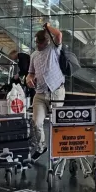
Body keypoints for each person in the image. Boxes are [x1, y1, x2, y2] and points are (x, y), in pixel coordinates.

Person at [26, 23, 64, 160]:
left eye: (40, 43)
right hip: (40, 93)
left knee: (56, 123)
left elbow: (59, 35)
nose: (38, 45)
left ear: (46, 41)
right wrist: (28, 79)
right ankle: (41, 147)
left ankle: (58, 149)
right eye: (36, 42)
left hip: (55, 91)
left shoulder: (54, 49)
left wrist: (48, 26)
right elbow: (30, 73)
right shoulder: (34, 55)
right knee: (36, 122)